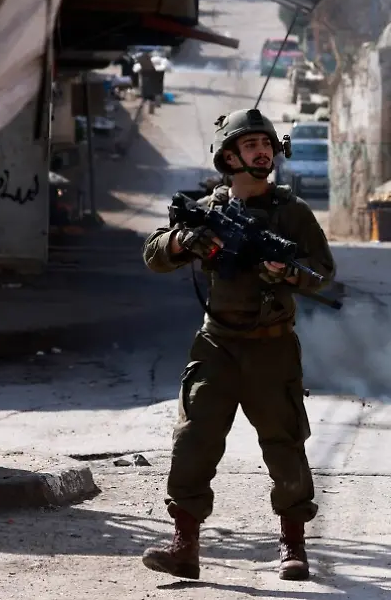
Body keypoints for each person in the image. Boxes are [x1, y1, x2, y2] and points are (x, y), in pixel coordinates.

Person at [139, 108, 336, 582]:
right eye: (251, 145)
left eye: (266, 144)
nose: (262, 152)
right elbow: (154, 254)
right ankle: (184, 545)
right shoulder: (208, 210)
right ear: (229, 157)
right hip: (217, 344)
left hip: (272, 347)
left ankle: (293, 545)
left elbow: (323, 272)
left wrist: (287, 273)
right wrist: (183, 242)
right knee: (193, 441)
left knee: (285, 445)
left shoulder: (292, 212)